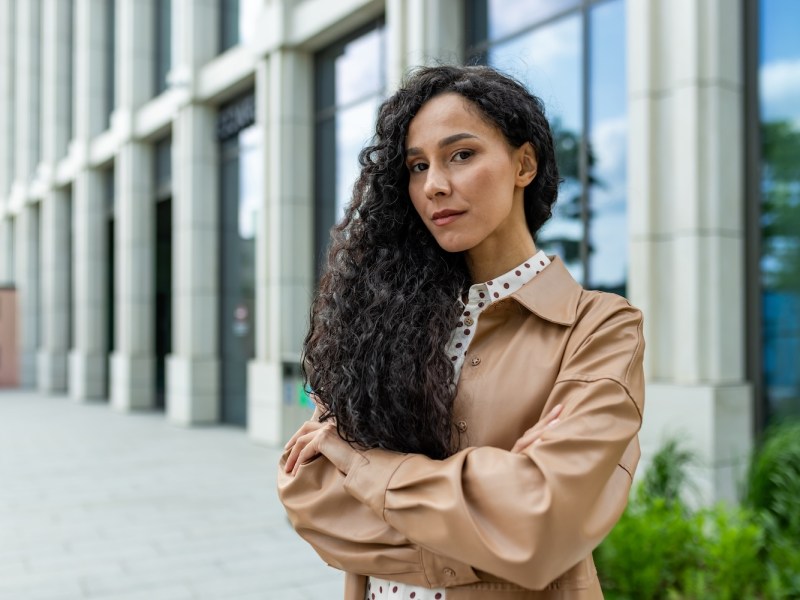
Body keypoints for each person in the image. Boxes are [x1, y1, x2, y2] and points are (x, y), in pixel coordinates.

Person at [277, 65, 644, 600]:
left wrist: (359, 465)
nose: (435, 185)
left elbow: (541, 523)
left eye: (462, 155)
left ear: (523, 164)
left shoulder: (599, 328)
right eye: (417, 166)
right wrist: (486, 516)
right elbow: (308, 499)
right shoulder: (384, 324)